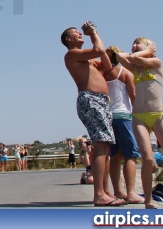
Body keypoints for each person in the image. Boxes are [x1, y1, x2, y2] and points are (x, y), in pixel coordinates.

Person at [116, 38, 163, 209]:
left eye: (137, 44)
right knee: (147, 158)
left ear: (150, 49)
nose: (133, 47)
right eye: (132, 45)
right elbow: (119, 55)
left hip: (158, 116)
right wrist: (143, 51)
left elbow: (136, 58)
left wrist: (144, 53)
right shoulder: (134, 68)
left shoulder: (155, 62)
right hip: (139, 116)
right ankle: (148, 201)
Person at [61, 21, 122, 206]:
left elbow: (107, 66)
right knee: (101, 145)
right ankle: (99, 195)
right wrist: (93, 34)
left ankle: (105, 191)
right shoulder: (72, 54)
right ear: (68, 39)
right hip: (91, 99)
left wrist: (95, 39)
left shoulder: (88, 60)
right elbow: (99, 49)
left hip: (101, 101)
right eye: (76, 34)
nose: (80, 34)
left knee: (104, 147)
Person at [99, 46, 143, 204]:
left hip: (108, 117)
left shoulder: (102, 74)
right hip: (123, 115)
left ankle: (117, 190)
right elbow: (133, 96)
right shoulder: (124, 73)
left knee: (115, 156)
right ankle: (131, 192)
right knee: (130, 154)